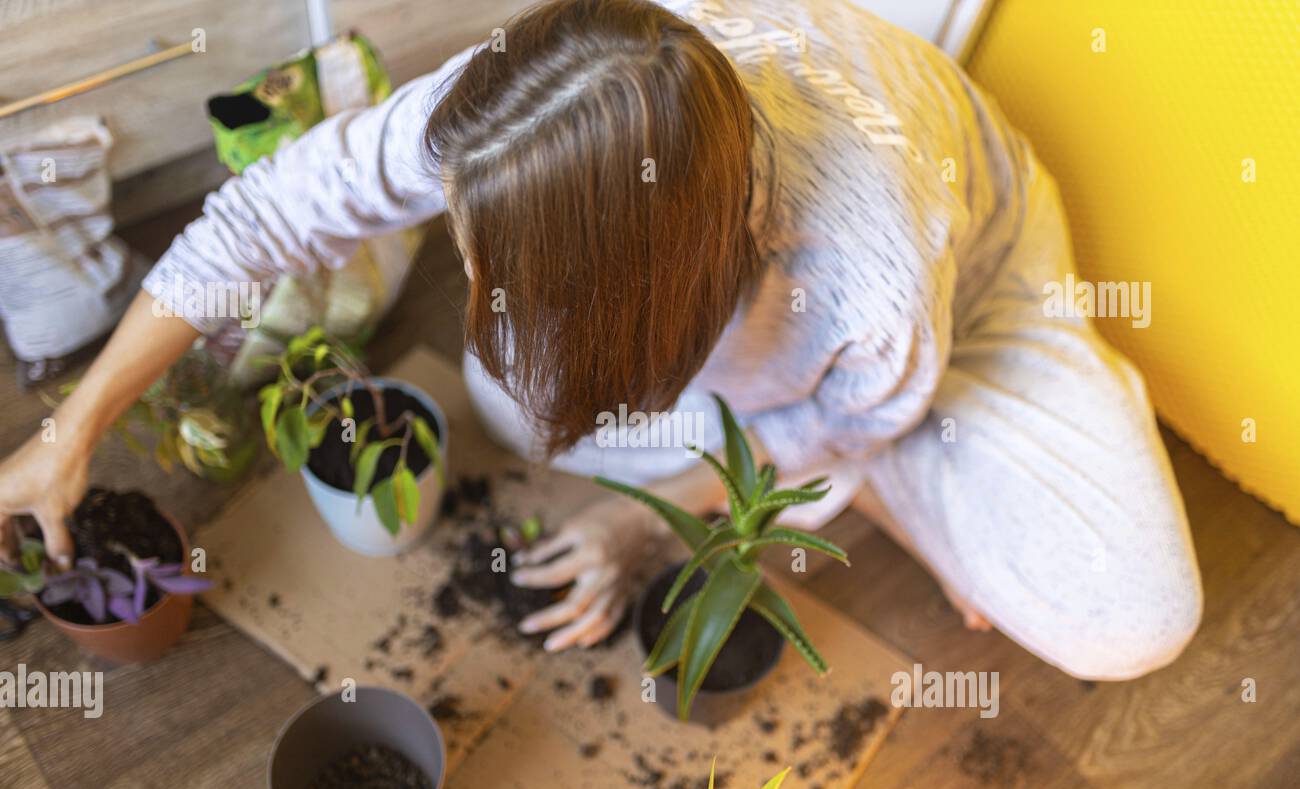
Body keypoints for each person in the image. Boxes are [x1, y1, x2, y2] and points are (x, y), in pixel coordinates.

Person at [0, 0, 1202, 679]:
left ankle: (946, 457)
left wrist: (641, 521)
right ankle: (911, 489)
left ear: (660, 302)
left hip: (972, 293)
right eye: (472, 246)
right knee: (512, 402)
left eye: (499, 272)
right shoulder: (529, 114)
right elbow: (267, 212)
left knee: (1133, 626)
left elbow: (842, 423)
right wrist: (72, 428)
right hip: (796, 353)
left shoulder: (860, 264)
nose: (468, 272)